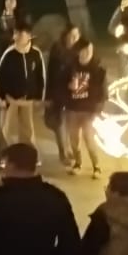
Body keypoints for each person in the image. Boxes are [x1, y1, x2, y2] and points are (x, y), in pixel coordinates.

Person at [0, 17, 45, 166]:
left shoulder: (35, 54)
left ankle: (30, 156)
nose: (18, 36)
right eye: (16, 34)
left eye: (21, 34)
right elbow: (0, 77)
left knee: (27, 130)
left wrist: (39, 97)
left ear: (29, 36)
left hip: (27, 99)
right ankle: (5, 156)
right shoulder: (9, 54)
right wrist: (1, 96)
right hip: (10, 98)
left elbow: (41, 77)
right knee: (5, 129)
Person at [62, 41, 106, 175]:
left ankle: (96, 166)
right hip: (72, 109)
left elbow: (102, 93)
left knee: (89, 139)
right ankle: (77, 163)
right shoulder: (70, 68)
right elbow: (61, 85)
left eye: (89, 51)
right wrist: (69, 87)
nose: (87, 54)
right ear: (79, 52)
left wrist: (97, 111)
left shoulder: (98, 70)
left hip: (89, 110)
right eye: (84, 51)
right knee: (74, 140)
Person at [45, 24, 81, 167]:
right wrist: (48, 94)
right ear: (65, 35)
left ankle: (69, 149)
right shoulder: (57, 49)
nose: (73, 38)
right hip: (58, 91)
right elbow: (51, 72)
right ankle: (63, 153)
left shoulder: (79, 50)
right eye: (71, 35)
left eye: (76, 36)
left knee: (70, 122)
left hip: (73, 92)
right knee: (59, 123)